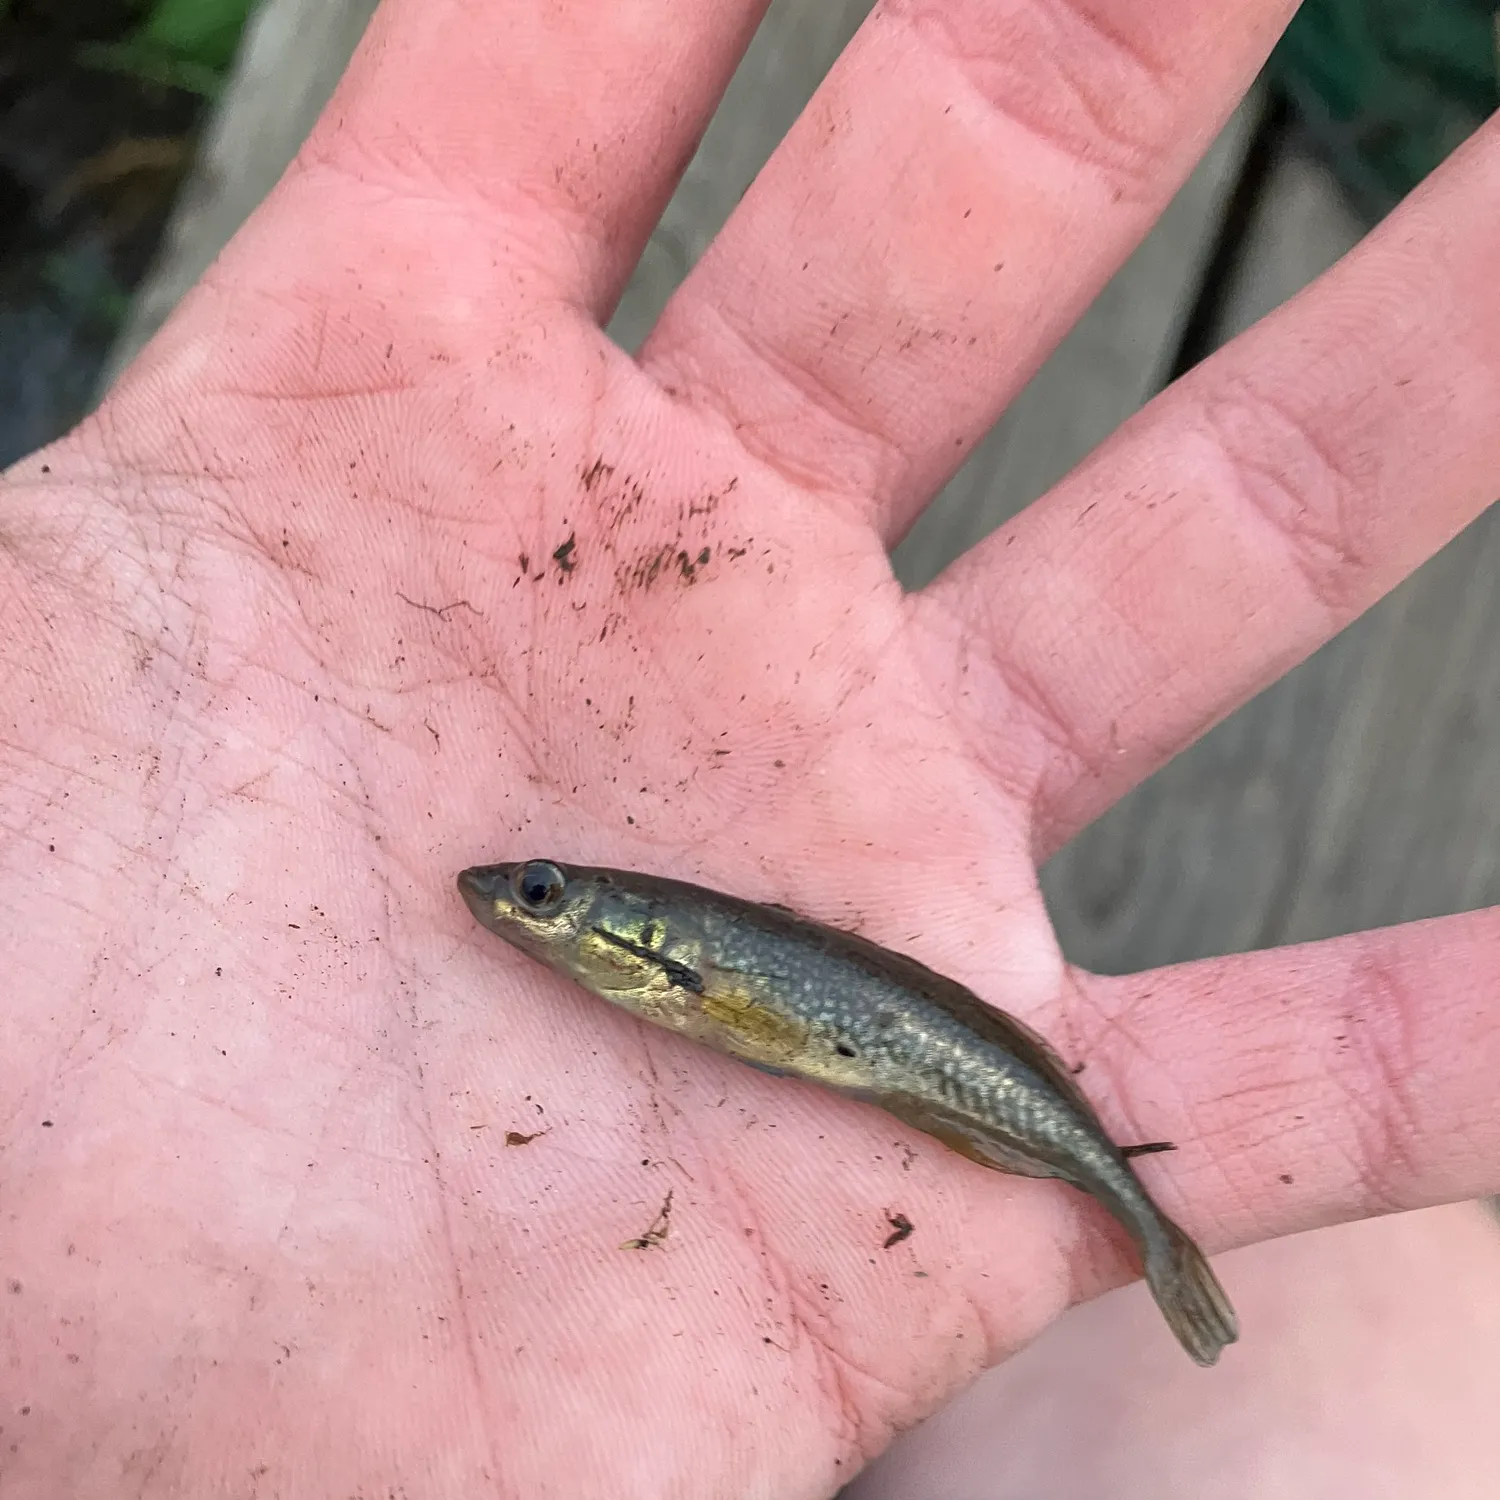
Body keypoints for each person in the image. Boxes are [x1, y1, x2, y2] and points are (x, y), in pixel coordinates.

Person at [1, 2, 1497, 1495]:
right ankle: (1143, 1235)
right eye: (536, 893)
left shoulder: (644, 951)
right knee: (1387, 1341)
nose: (513, 903)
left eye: (537, 896)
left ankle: (1134, 1218)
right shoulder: (627, 967)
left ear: (616, 936)